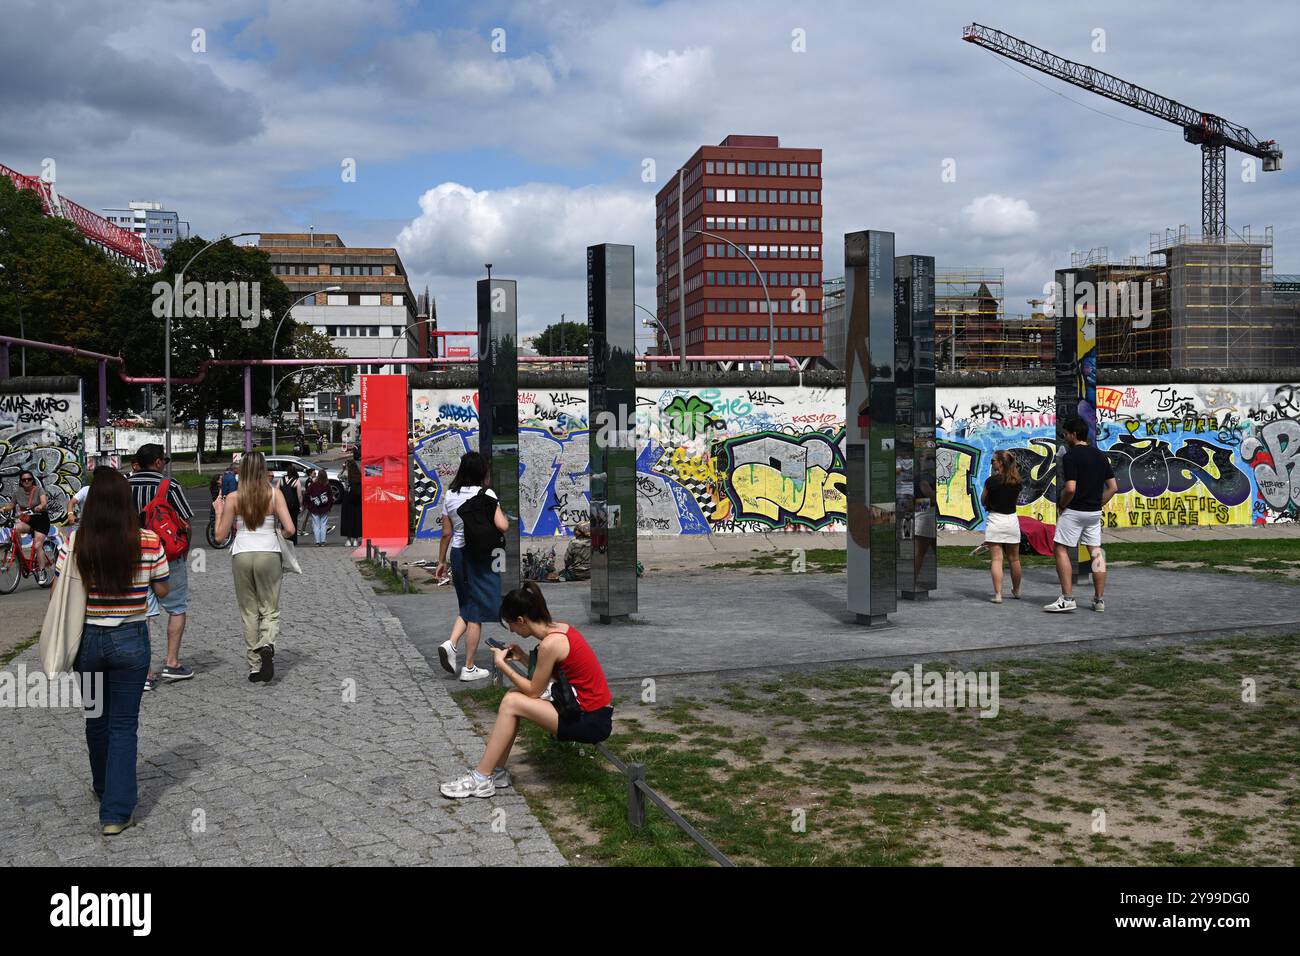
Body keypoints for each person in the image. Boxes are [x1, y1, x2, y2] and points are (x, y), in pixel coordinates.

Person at [55, 467, 171, 835]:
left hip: (87, 641)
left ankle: (103, 786)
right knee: (124, 724)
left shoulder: (76, 543)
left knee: (96, 718)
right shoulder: (148, 540)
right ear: (126, 501)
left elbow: (60, 588)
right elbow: (164, 590)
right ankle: (116, 813)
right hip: (130, 639)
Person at [441, 582, 613, 799]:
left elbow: (533, 691)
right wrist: (522, 658)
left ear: (521, 620)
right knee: (512, 697)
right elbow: (547, 676)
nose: (512, 629)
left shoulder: (551, 644)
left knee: (512, 702)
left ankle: (481, 779)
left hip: (592, 720)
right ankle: (496, 773)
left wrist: (503, 666)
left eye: (511, 624)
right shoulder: (560, 629)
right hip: (589, 711)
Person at [214, 452, 295, 682]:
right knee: (269, 609)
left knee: (249, 612)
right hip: (268, 552)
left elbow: (219, 536)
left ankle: (254, 666)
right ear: (263, 470)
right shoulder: (274, 494)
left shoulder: (233, 498)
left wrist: (219, 512)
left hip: (242, 553)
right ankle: (267, 644)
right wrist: (277, 531)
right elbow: (290, 529)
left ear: (242, 471)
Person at [435, 452, 509, 682]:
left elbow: (447, 532)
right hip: (481, 556)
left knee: (468, 603)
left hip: (459, 554)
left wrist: (441, 560)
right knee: (475, 610)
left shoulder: (450, 495)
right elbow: (503, 525)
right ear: (481, 471)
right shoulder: (486, 493)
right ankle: (468, 667)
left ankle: (451, 643)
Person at [128, 444, 195, 689]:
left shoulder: (125, 486)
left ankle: (144, 672)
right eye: (163, 460)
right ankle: (172, 663)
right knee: (176, 607)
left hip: (133, 556)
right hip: (167, 556)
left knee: (139, 612)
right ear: (157, 462)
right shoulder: (170, 486)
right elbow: (186, 523)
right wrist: (184, 552)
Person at [1045, 417, 1118, 613]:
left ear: (1074, 434)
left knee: (1060, 549)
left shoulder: (1071, 457)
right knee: (1096, 552)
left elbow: (1070, 488)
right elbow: (1113, 488)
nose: (1065, 437)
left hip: (1074, 511)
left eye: (1066, 433)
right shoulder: (1101, 456)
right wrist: (1097, 503)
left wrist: (1061, 504)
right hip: (1093, 513)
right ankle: (1099, 599)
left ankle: (1067, 598)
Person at [981, 451, 1023, 603]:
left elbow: (983, 500)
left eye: (993, 460)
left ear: (1000, 462)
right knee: (1014, 559)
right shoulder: (1017, 481)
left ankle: (998, 594)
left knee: (997, 559)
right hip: (1011, 520)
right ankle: (1017, 590)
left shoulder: (990, 481)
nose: (992, 463)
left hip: (995, 520)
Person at [11, 470, 52, 585]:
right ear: (21, 481)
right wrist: (4, 509)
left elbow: (44, 502)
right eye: (24, 480)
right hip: (28, 520)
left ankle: (42, 571)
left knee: (38, 545)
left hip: (41, 520)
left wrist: (40, 506)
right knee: (15, 528)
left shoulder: (39, 489)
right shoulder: (17, 493)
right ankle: (19, 557)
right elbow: (11, 505)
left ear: (32, 480)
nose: (27, 481)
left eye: (29, 479)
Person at [305, 468, 332, 547]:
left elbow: (306, 495)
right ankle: (323, 541)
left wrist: (309, 505)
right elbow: (330, 497)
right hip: (325, 508)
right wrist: (329, 506)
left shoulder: (313, 485)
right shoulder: (327, 485)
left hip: (315, 508)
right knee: (323, 524)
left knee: (316, 525)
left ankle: (317, 541)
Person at [340, 460, 362, 548]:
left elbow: (339, 476)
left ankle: (348, 540)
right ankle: (356, 540)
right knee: (356, 519)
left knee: (347, 519)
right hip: (357, 499)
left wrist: (343, 469)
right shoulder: (358, 476)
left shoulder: (345, 475)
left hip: (347, 499)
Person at [279, 463, 302, 545]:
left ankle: (284, 540)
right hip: (293, 505)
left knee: (283, 522)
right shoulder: (296, 481)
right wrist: (301, 505)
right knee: (293, 522)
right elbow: (299, 495)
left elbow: (277, 490)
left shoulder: (281, 480)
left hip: (283, 505)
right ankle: (293, 541)